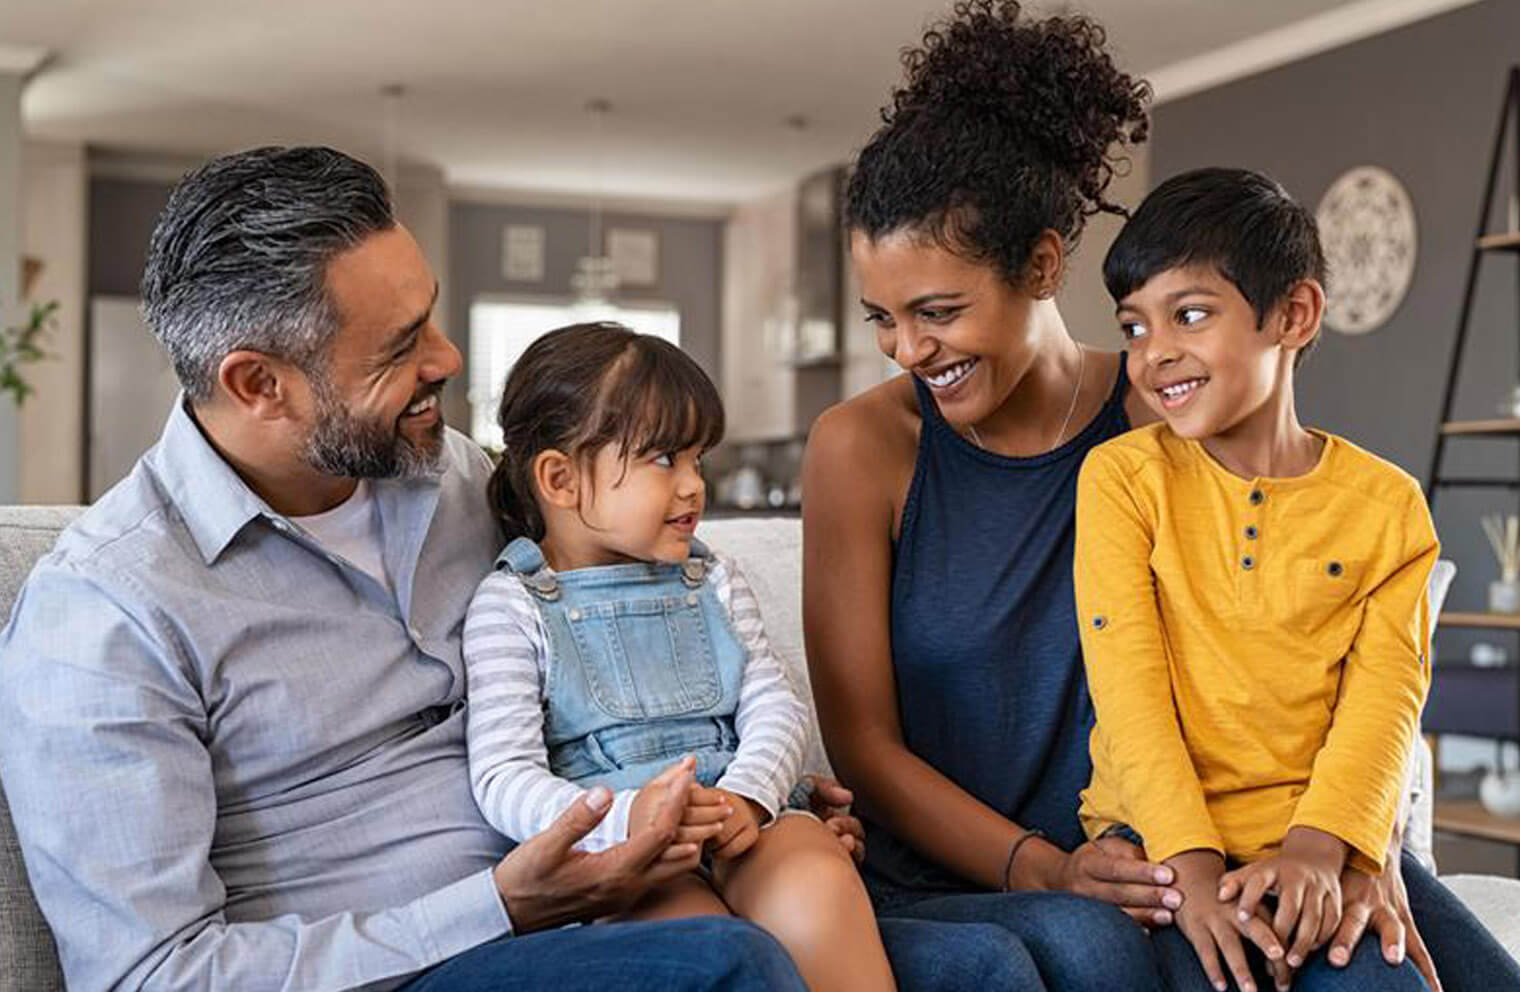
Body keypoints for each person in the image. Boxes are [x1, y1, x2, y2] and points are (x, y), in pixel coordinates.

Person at [803, 2, 1515, 991]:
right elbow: (864, 745)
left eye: (937, 311)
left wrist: (1360, 844)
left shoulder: (1167, 416)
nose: (907, 350)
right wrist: (1041, 863)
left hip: (1201, 842)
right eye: (881, 317)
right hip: (992, 872)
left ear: (1043, 265)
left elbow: (1326, 654)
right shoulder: (860, 447)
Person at [0, 146, 809, 992]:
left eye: (432, 316)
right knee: (725, 969)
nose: (449, 358)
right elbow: (153, 976)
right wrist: (504, 905)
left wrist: (750, 796)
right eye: (400, 346)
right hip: (421, 969)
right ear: (258, 383)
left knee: (953, 956)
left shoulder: (455, 476)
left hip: (623, 901)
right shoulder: (105, 614)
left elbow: (616, 642)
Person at [1075, 166, 1444, 992]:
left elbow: (1385, 699)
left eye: (1191, 314)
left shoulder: (1388, 506)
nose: (1154, 353)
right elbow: (1129, 692)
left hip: (1317, 840)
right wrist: (1194, 868)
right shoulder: (1123, 480)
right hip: (1167, 848)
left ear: (1293, 314)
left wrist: (1328, 847)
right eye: (1133, 326)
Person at [462, 321, 896, 991]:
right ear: (560, 479)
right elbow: (503, 775)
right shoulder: (511, 606)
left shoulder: (713, 577)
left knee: (814, 874)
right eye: (665, 459)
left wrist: (749, 795)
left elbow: (775, 703)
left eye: (699, 458)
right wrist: (621, 819)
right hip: (625, 853)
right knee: (703, 949)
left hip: (740, 812)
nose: (694, 485)